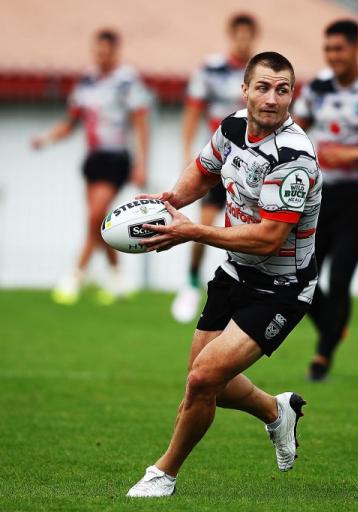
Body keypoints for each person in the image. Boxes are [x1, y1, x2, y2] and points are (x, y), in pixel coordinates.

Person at [126, 52, 322, 497]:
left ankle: (164, 473)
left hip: (282, 288)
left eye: (283, 89)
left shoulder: (293, 157)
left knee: (201, 380)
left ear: (293, 95)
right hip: (235, 273)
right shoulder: (233, 126)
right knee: (208, 378)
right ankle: (277, 411)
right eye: (263, 87)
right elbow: (203, 171)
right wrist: (170, 200)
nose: (272, 99)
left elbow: (269, 238)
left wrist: (191, 231)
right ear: (245, 90)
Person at [292, 19, 358, 380]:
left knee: (342, 275)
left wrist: (350, 155)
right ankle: (334, 325)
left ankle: (322, 356)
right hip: (322, 195)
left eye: (339, 49)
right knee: (302, 274)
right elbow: (294, 129)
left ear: (355, 48)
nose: (333, 56)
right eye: (328, 49)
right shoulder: (317, 87)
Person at [32, 28, 150, 305]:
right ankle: (119, 278)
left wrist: (142, 163)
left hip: (117, 157)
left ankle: (75, 275)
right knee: (98, 222)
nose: (101, 55)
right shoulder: (86, 81)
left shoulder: (127, 81)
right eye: (98, 50)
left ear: (115, 51)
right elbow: (71, 121)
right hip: (93, 158)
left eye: (106, 50)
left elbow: (141, 123)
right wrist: (46, 139)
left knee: (95, 215)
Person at [171, 13, 259, 323]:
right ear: (232, 35)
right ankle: (191, 281)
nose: (243, 40)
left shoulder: (261, 74)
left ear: (254, 37)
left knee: (250, 229)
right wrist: (186, 151)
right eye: (239, 34)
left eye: (249, 35)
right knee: (204, 224)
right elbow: (193, 110)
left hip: (255, 167)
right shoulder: (212, 69)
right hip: (220, 163)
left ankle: (250, 288)